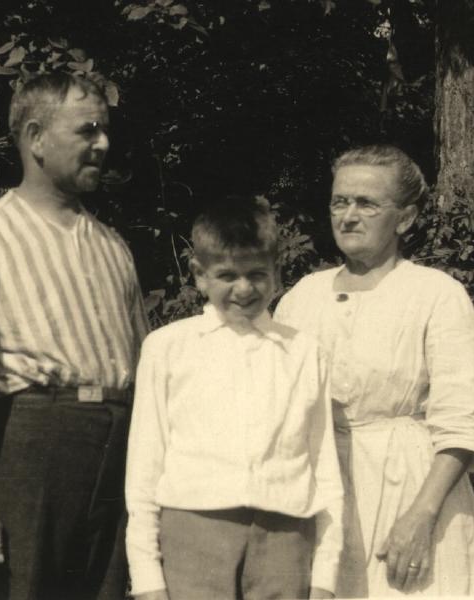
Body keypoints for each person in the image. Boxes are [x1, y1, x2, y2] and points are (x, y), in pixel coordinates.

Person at [0, 72, 149, 600]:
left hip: (115, 446)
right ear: (36, 138)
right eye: (87, 131)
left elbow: (146, 368)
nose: (103, 144)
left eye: (104, 130)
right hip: (28, 448)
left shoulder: (113, 246)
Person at [275, 145, 474, 596]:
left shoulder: (437, 294)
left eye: (367, 203)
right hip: (322, 498)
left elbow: (462, 423)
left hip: (413, 494)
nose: (349, 216)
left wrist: (421, 516)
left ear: (406, 219)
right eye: (341, 201)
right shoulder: (301, 297)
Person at [125, 197, 344, 600]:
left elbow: (324, 465)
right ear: (199, 274)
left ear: (277, 273)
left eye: (257, 274)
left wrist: (325, 577)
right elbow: (144, 466)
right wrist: (147, 577)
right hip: (193, 534)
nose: (243, 289)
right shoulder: (168, 347)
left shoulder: (304, 351)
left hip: (284, 538)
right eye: (227, 274)